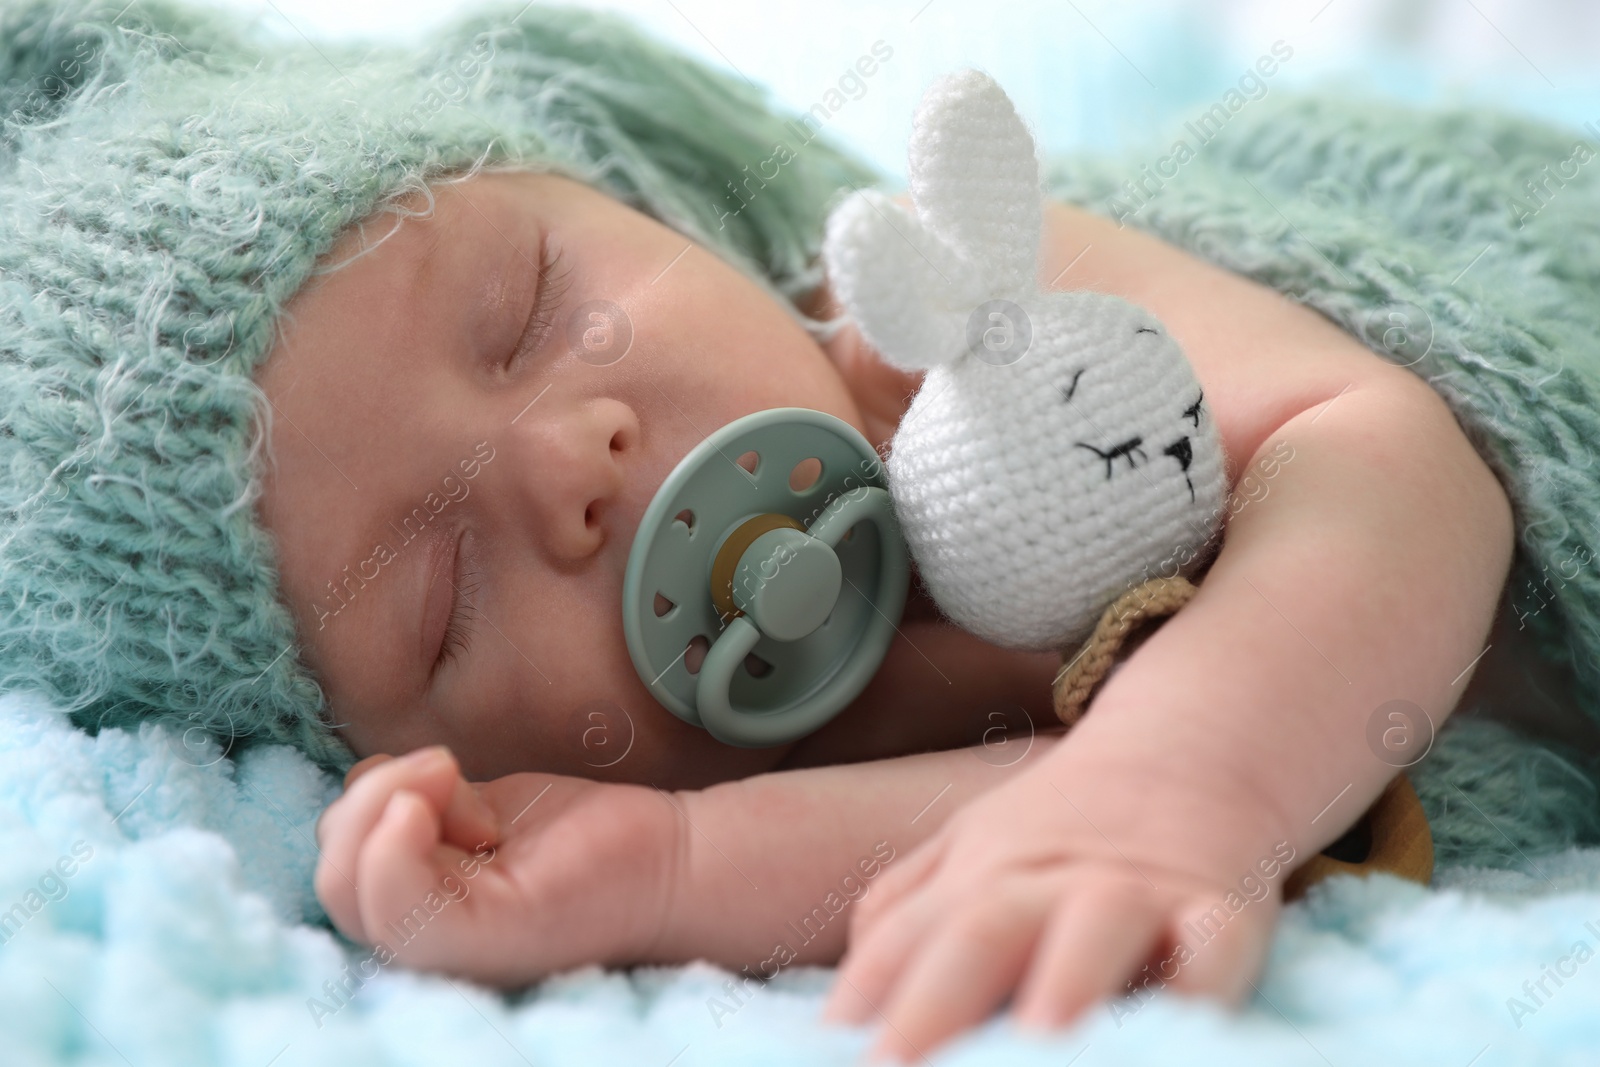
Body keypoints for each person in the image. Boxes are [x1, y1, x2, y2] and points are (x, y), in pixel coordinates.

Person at [3, 1, 1594, 1061]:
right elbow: (1058, 828)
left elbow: (1378, 456)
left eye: (532, 309)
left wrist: (1180, 784)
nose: (572, 462)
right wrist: (672, 866)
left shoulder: (967, 323)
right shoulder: (760, 752)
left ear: (654, 205)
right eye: (440, 596)